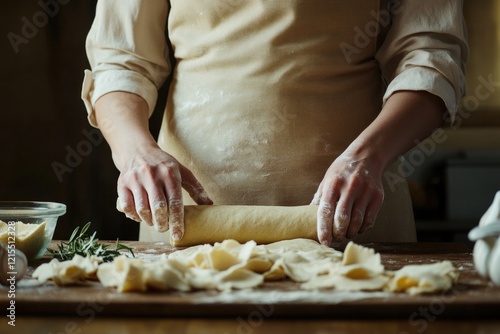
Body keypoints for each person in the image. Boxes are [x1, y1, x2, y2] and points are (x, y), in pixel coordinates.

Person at [81, 0, 468, 245]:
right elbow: (121, 61)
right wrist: (136, 152)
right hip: (189, 221)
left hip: (354, 213)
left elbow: (430, 60)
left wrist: (368, 158)